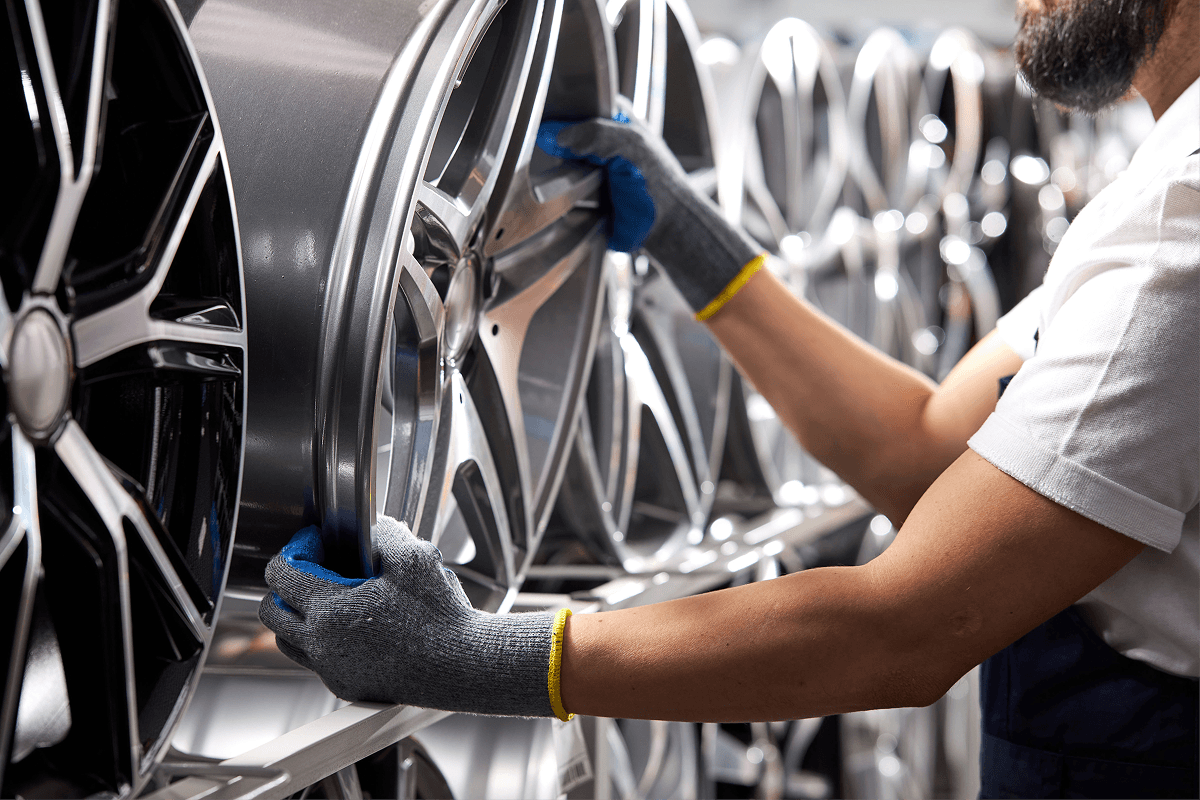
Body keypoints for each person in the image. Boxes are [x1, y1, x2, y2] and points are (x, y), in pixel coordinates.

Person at [259, 0, 1199, 795]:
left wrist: (473, 655)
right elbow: (932, 456)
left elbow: (908, 627)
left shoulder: (1181, 230)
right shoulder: (1155, 193)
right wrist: (694, 240)